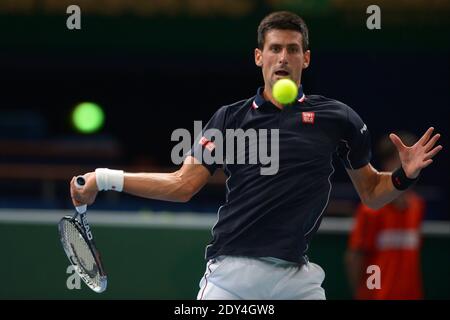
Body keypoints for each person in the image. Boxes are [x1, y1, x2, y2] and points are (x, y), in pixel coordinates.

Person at [70, 11, 442, 300]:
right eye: (275, 49)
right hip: (233, 275)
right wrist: (103, 178)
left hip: (297, 278)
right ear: (258, 57)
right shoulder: (229, 119)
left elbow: (372, 193)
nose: (283, 57)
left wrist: (402, 177)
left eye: (292, 49)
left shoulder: (338, 118)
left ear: (306, 58)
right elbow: (182, 185)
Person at [345, 132, 426, 300]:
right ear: (389, 164)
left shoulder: (418, 206)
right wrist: (364, 295)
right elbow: (355, 258)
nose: (414, 167)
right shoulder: (371, 209)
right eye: (405, 160)